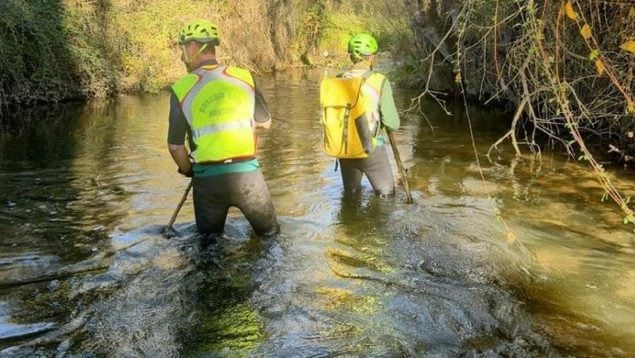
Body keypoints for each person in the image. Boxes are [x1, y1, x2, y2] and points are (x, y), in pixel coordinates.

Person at [167, 19, 279, 241]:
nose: (181, 56)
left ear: (192, 48)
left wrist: (189, 170)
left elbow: (175, 147)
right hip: (248, 177)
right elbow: (265, 122)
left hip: (208, 182)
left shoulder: (180, 89)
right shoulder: (244, 77)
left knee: (209, 248)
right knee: (271, 238)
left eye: (183, 49)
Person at [337, 33, 401, 197]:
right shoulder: (380, 81)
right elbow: (392, 123)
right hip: (371, 149)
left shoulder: (337, 80)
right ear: (371, 57)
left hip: (344, 150)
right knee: (387, 198)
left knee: (351, 197)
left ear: (351, 57)